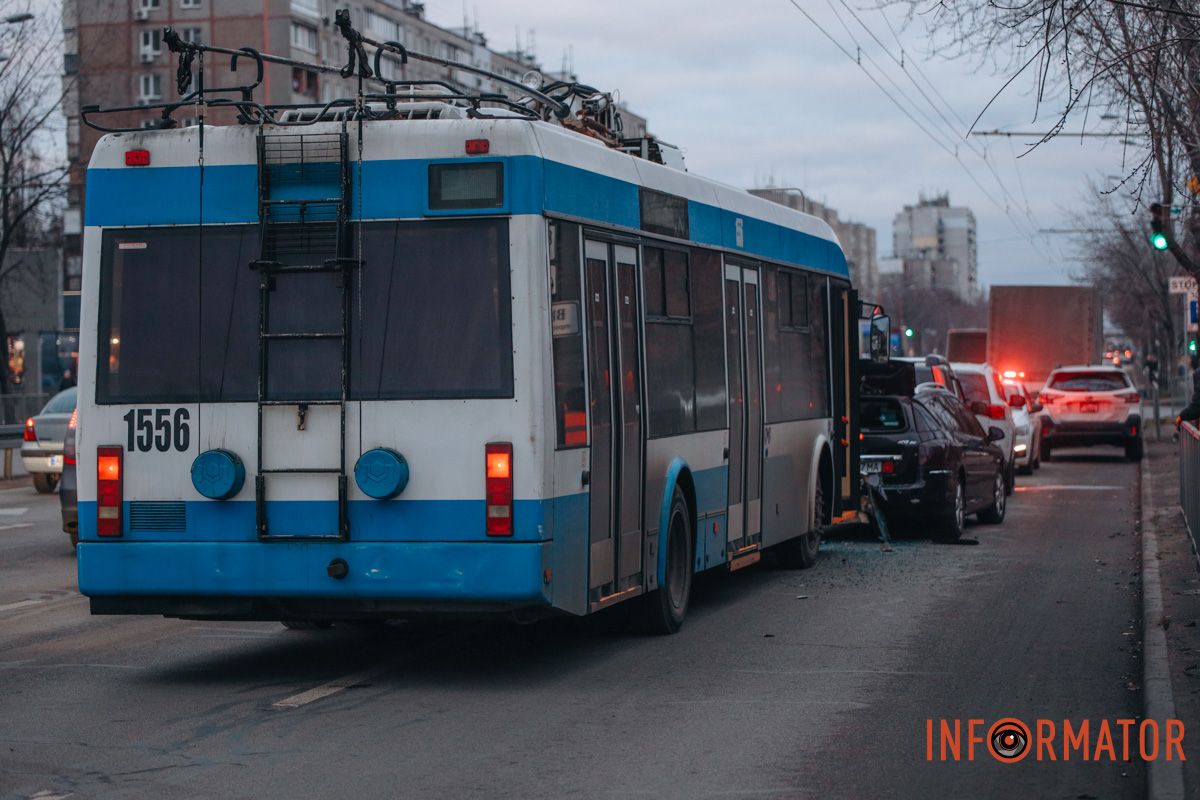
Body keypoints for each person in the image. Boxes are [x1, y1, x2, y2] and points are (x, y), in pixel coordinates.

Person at [1175, 354, 1200, 428]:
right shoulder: (1195, 373)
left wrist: (1182, 416)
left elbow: (1197, 405)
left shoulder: (1196, 374)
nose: (1187, 361)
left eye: (1188, 359)